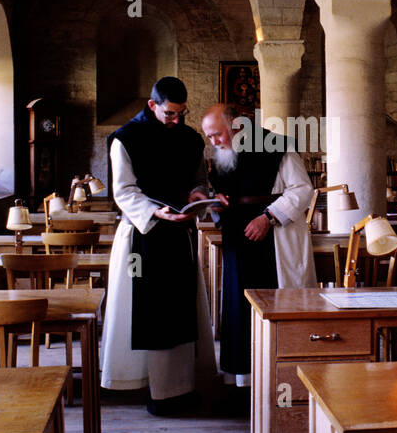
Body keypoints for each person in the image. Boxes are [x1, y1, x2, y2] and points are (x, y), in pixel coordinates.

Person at [100, 77, 216, 415]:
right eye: (170, 114)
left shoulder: (190, 139)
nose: (177, 121)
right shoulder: (125, 139)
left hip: (180, 235)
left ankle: (179, 388)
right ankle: (143, 385)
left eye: (182, 113)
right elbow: (123, 191)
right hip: (142, 237)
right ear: (153, 105)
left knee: (180, 310)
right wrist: (155, 212)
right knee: (145, 310)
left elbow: (199, 180)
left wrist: (197, 195)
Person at [200, 104, 318, 393]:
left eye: (217, 134)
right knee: (239, 307)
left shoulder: (278, 147)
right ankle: (243, 379)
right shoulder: (223, 155)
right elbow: (222, 192)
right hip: (237, 240)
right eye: (209, 137)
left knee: (274, 304)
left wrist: (268, 217)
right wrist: (216, 203)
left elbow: (302, 189)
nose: (214, 142)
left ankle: (281, 377)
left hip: (274, 237)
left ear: (237, 125)